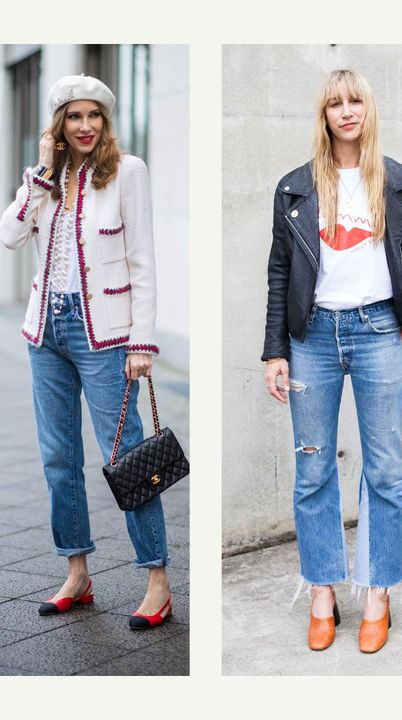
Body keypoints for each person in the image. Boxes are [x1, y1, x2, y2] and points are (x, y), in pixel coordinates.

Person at [1, 75, 173, 629]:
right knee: (58, 458)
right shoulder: (47, 181)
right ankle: (76, 571)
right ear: (58, 125)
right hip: (46, 329)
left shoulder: (129, 171)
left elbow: (142, 260)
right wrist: (40, 178)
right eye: (73, 117)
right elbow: (10, 235)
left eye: (93, 116)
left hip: (104, 335)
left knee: (127, 456)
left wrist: (142, 341)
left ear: (105, 121)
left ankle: (157, 579)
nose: (84, 126)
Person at [261, 68, 402, 654]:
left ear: (368, 109)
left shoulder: (396, 180)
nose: (346, 111)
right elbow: (280, 270)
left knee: (384, 469)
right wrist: (275, 350)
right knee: (313, 470)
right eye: (335, 103)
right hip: (312, 337)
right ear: (323, 115)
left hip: (376, 328)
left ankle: (377, 593)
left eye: (355, 101)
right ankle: (323, 592)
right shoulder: (295, 187)